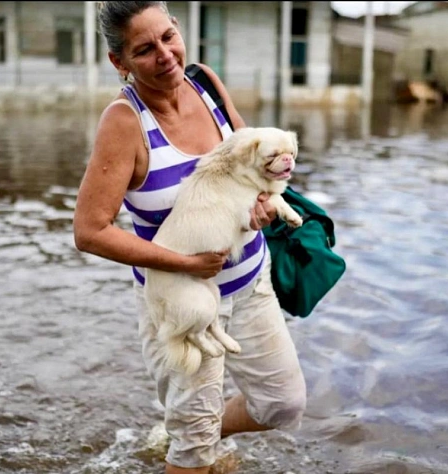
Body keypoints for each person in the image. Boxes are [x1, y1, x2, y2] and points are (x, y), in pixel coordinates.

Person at [73, 2, 306, 473]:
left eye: (167, 37)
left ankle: (193, 429)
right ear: (120, 63)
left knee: (282, 404)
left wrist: (263, 204)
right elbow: (89, 231)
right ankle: (191, 440)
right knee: (193, 451)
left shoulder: (206, 83)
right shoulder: (124, 123)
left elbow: (251, 162)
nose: (165, 55)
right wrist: (185, 264)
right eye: (144, 49)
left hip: (250, 284)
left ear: (177, 29)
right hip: (180, 297)